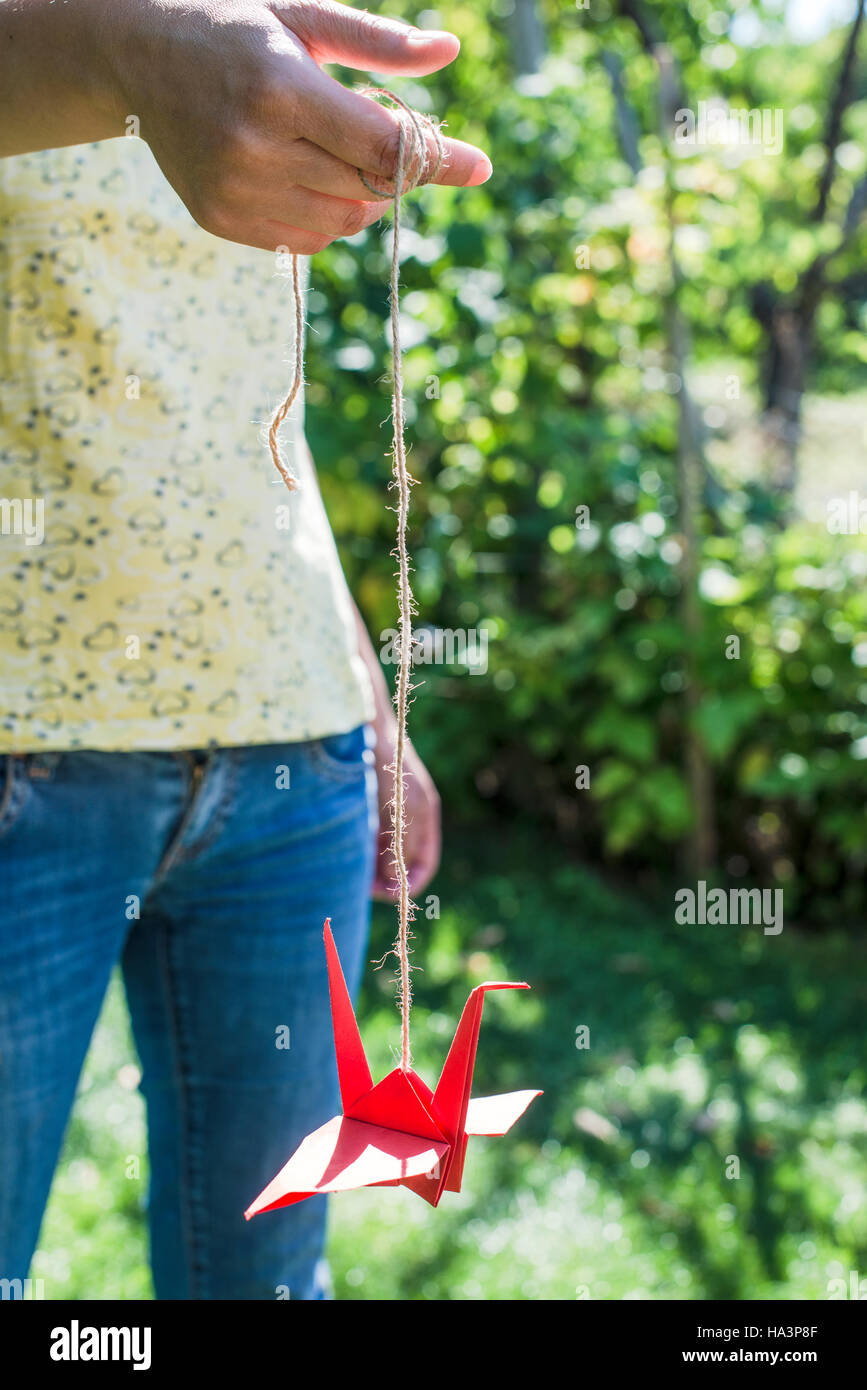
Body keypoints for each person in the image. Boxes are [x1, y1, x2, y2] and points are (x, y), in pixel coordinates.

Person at [0, 0, 491, 1299]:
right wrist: (120, 48)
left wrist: (367, 700)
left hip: (292, 754)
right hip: (19, 747)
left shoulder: (250, 23)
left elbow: (252, 410)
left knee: (271, 1283)